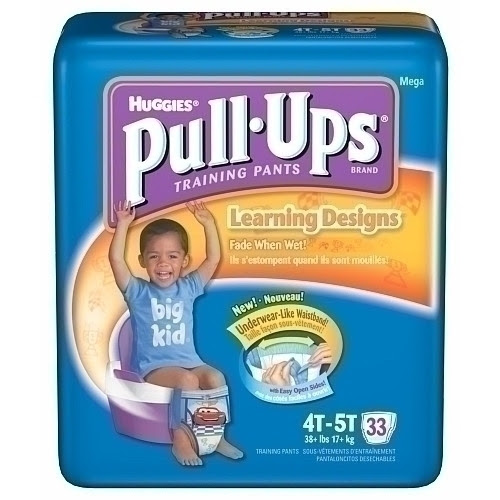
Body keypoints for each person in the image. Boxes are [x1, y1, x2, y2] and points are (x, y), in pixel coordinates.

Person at [109, 200, 243, 466]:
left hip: (191, 361)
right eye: (154, 256)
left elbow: (213, 259)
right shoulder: (137, 292)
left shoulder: (189, 287)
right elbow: (116, 260)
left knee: (215, 377)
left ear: (184, 261)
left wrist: (208, 223)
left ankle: (215, 437)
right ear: (142, 261)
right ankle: (180, 441)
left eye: (172, 256)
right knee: (187, 381)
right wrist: (123, 224)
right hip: (154, 367)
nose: (163, 263)